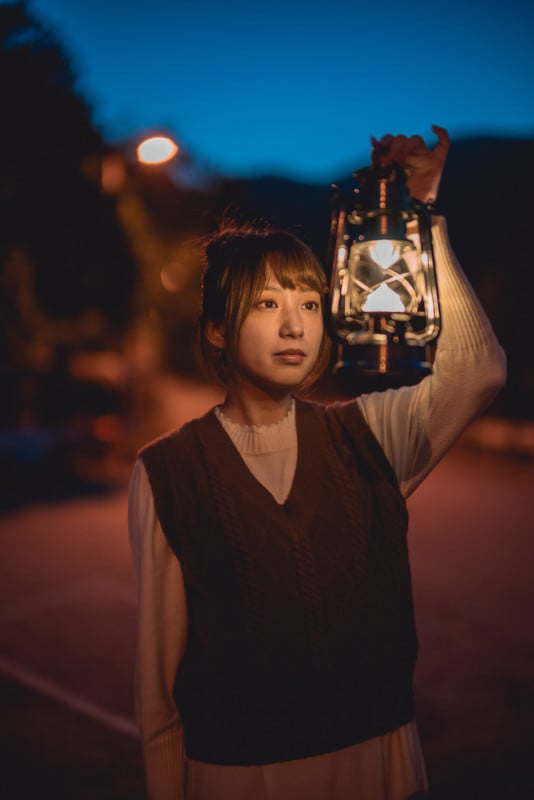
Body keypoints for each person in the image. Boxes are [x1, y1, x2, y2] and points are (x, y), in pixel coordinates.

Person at [128, 126, 506, 800]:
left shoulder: (368, 436)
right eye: (267, 304)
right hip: (238, 772)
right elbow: (160, 685)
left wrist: (420, 219)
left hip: (375, 757)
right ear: (216, 328)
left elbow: (478, 370)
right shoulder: (167, 471)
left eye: (308, 303)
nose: (295, 326)